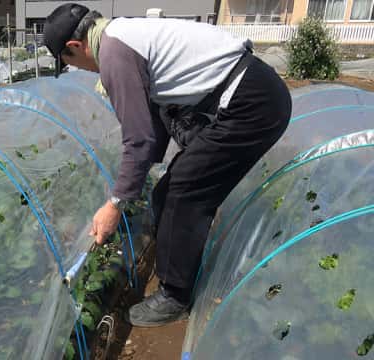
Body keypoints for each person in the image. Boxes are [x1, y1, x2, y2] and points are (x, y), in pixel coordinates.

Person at [43, 4, 291, 327]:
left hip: (252, 104)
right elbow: (152, 126)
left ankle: (174, 295)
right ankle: (182, 267)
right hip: (252, 96)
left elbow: (140, 139)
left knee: (185, 189)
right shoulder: (121, 35)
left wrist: (115, 203)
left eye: (71, 64)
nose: (83, 71)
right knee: (165, 193)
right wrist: (140, 177)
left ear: (75, 47)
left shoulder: (115, 54)